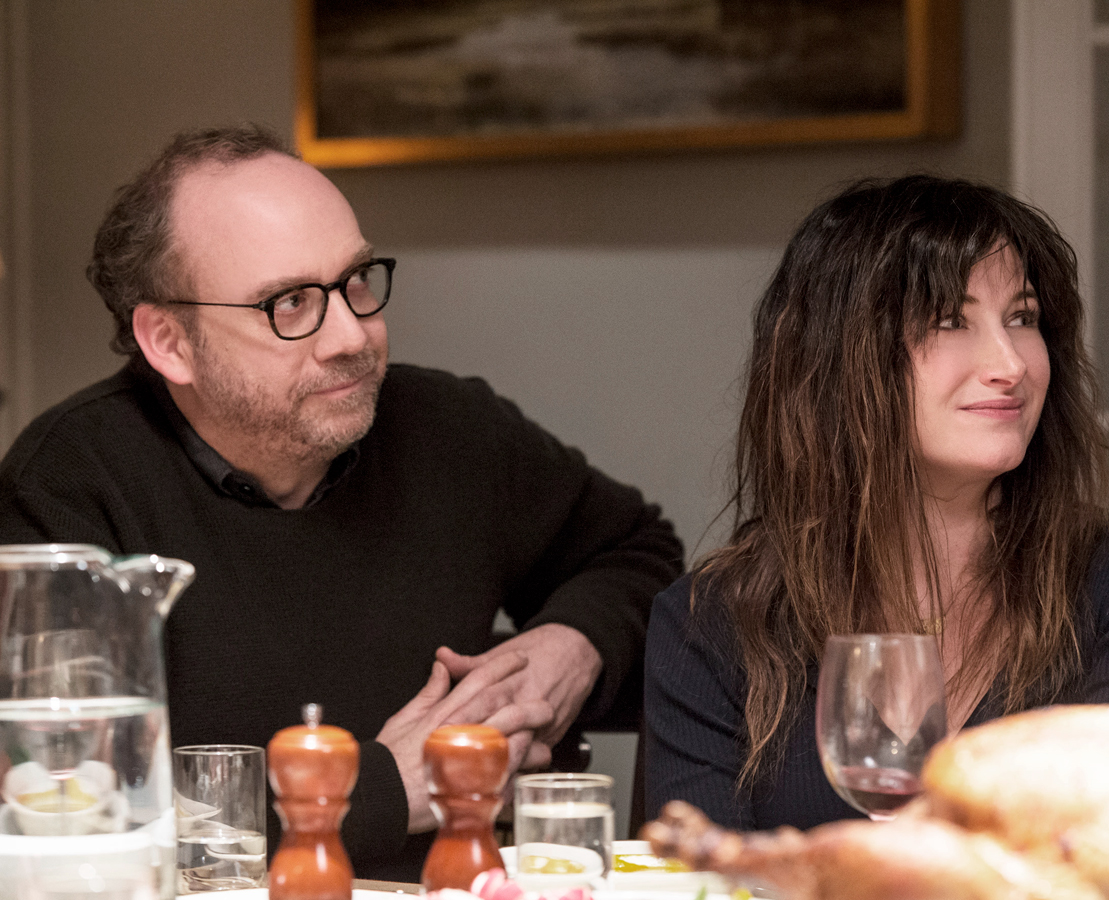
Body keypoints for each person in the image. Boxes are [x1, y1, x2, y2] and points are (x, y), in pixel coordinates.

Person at [0, 125, 682, 879]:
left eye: (356, 279)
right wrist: (381, 790)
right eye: (290, 303)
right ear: (170, 341)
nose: (352, 336)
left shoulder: (450, 429)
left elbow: (640, 554)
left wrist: (571, 646)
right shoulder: (67, 486)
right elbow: (69, 819)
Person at [644, 175, 1109, 832]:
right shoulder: (713, 621)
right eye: (950, 321)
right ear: (838, 359)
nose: (1011, 364)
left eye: (1022, 318)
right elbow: (701, 873)